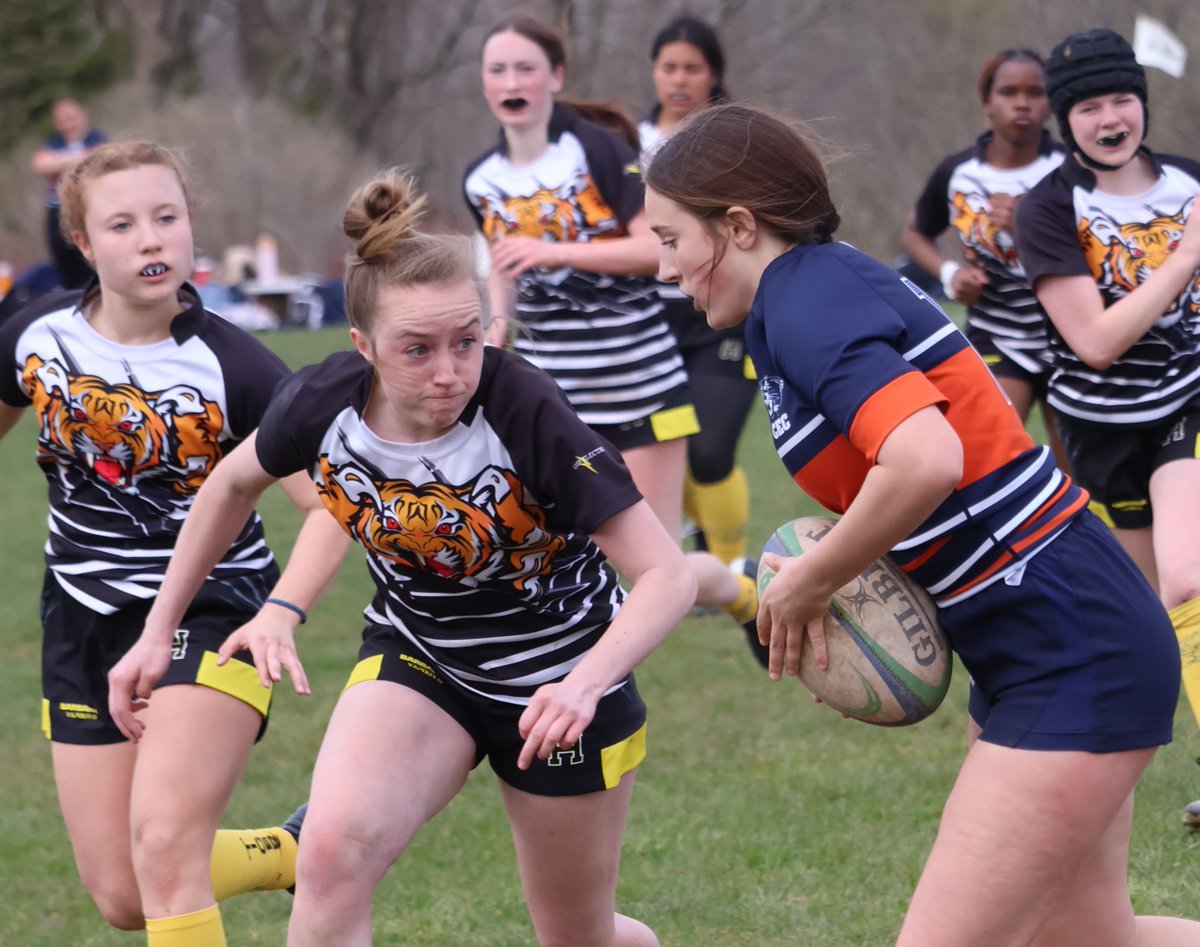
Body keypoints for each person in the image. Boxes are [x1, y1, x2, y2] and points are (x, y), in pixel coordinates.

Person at [643, 101, 1200, 945]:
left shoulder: (805, 296)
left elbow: (924, 458)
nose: (663, 267)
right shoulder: (799, 296)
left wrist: (810, 582)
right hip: (1038, 632)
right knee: (1089, 937)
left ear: (739, 226)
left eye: (670, 239)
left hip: (1070, 637)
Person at [110, 168, 695, 946]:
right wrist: (160, 629)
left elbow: (668, 574)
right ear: (364, 346)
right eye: (416, 349)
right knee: (326, 853)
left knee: (577, 936)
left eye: (466, 340)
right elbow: (228, 485)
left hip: (557, 677)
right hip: (421, 658)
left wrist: (583, 685)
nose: (449, 372)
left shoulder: (529, 412)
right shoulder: (324, 403)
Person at [0, 141, 329, 946]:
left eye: (166, 218)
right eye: (122, 224)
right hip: (82, 619)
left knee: (165, 847)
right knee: (122, 892)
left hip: (218, 611)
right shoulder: (34, 339)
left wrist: (283, 609)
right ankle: (284, 851)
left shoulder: (237, 365)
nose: (151, 240)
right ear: (82, 243)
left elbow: (333, 509)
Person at [463, 13, 762, 664]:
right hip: (549, 392)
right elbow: (503, 264)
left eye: (525, 68)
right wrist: (493, 335)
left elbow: (648, 252)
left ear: (555, 77)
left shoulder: (597, 151)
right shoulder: (479, 177)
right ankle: (553, 682)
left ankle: (743, 591)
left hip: (638, 385)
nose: (511, 81)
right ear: (483, 83)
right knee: (552, 550)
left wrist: (551, 249)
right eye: (497, 69)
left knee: (659, 573)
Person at [1015, 27, 1200, 832]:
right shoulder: (1049, 208)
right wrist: (1187, 256)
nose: (1110, 117)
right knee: (1150, 616)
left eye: (1122, 98)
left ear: (1144, 103)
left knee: (1188, 576)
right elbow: (1093, 342)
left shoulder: (1193, 184)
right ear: (1066, 120)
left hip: (1188, 399)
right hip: (1098, 430)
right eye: (1089, 106)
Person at [901, 48, 1069, 470]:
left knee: (1079, 473)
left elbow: (1093, 252)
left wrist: (1028, 224)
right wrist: (951, 273)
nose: (1022, 103)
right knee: (983, 459)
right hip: (997, 334)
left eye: (1036, 92)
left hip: (1069, 338)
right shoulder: (958, 172)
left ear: (1051, 103)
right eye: (1009, 92)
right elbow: (916, 231)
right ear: (987, 103)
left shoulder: (1071, 171)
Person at [637, 15, 759, 576]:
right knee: (669, 453)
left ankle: (731, 571)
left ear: (713, 76)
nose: (679, 79)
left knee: (710, 453)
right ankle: (696, 564)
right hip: (646, 327)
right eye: (669, 67)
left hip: (722, 319)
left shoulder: (734, 145)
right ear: (654, 73)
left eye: (692, 68)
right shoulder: (624, 145)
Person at [30, 98, 108, 289]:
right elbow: (40, 164)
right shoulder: (53, 143)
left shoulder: (97, 138)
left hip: (88, 207)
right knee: (64, 262)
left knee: (92, 260)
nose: (67, 123)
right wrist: (78, 159)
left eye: (71, 117)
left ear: (82, 116)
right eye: (61, 119)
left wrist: (59, 162)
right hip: (57, 209)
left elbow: (99, 158)